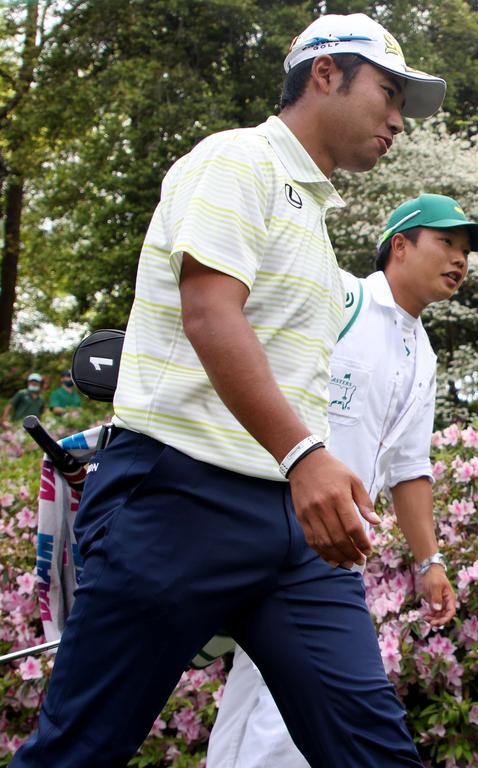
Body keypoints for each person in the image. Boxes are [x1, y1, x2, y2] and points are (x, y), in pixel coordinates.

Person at [13, 13, 446, 768]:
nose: (399, 120)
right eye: (389, 92)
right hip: (180, 500)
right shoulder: (236, 161)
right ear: (325, 74)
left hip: (293, 529)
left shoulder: (311, 216)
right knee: (76, 753)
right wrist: (308, 454)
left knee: (376, 753)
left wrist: (304, 468)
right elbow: (210, 314)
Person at [207, 193, 478, 768]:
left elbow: (409, 468)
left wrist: (429, 562)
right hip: (275, 524)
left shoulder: (424, 353)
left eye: (466, 251)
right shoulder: (343, 299)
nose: (460, 260)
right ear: (400, 245)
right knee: (289, 710)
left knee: (262, 697)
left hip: (332, 550)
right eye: (447, 243)